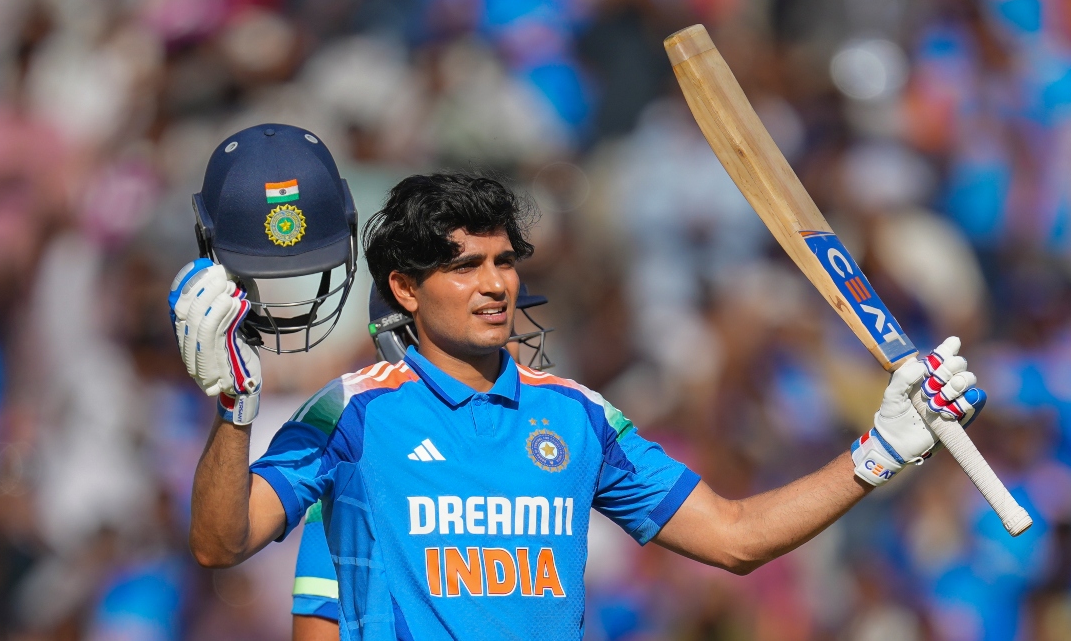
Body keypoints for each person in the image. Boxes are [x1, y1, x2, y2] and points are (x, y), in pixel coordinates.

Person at [173, 135, 985, 639]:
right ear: (407, 289)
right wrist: (236, 411)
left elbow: (734, 537)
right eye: (465, 266)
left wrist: (878, 452)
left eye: (504, 261)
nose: (495, 285)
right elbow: (220, 541)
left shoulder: (578, 416)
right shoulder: (353, 411)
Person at [291, 284, 555, 640]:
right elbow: (317, 628)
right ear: (410, 340)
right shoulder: (355, 483)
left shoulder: (538, 467)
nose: (514, 348)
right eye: (490, 333)